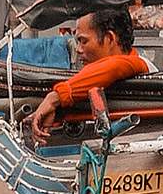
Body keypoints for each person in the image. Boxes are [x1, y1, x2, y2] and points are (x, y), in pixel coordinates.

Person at [29, 9, 155, 144]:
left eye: (83, 41)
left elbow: (115, 66)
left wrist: (54, 98)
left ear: (110, 38)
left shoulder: (141, 65)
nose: (78, 49)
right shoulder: (93, 76)